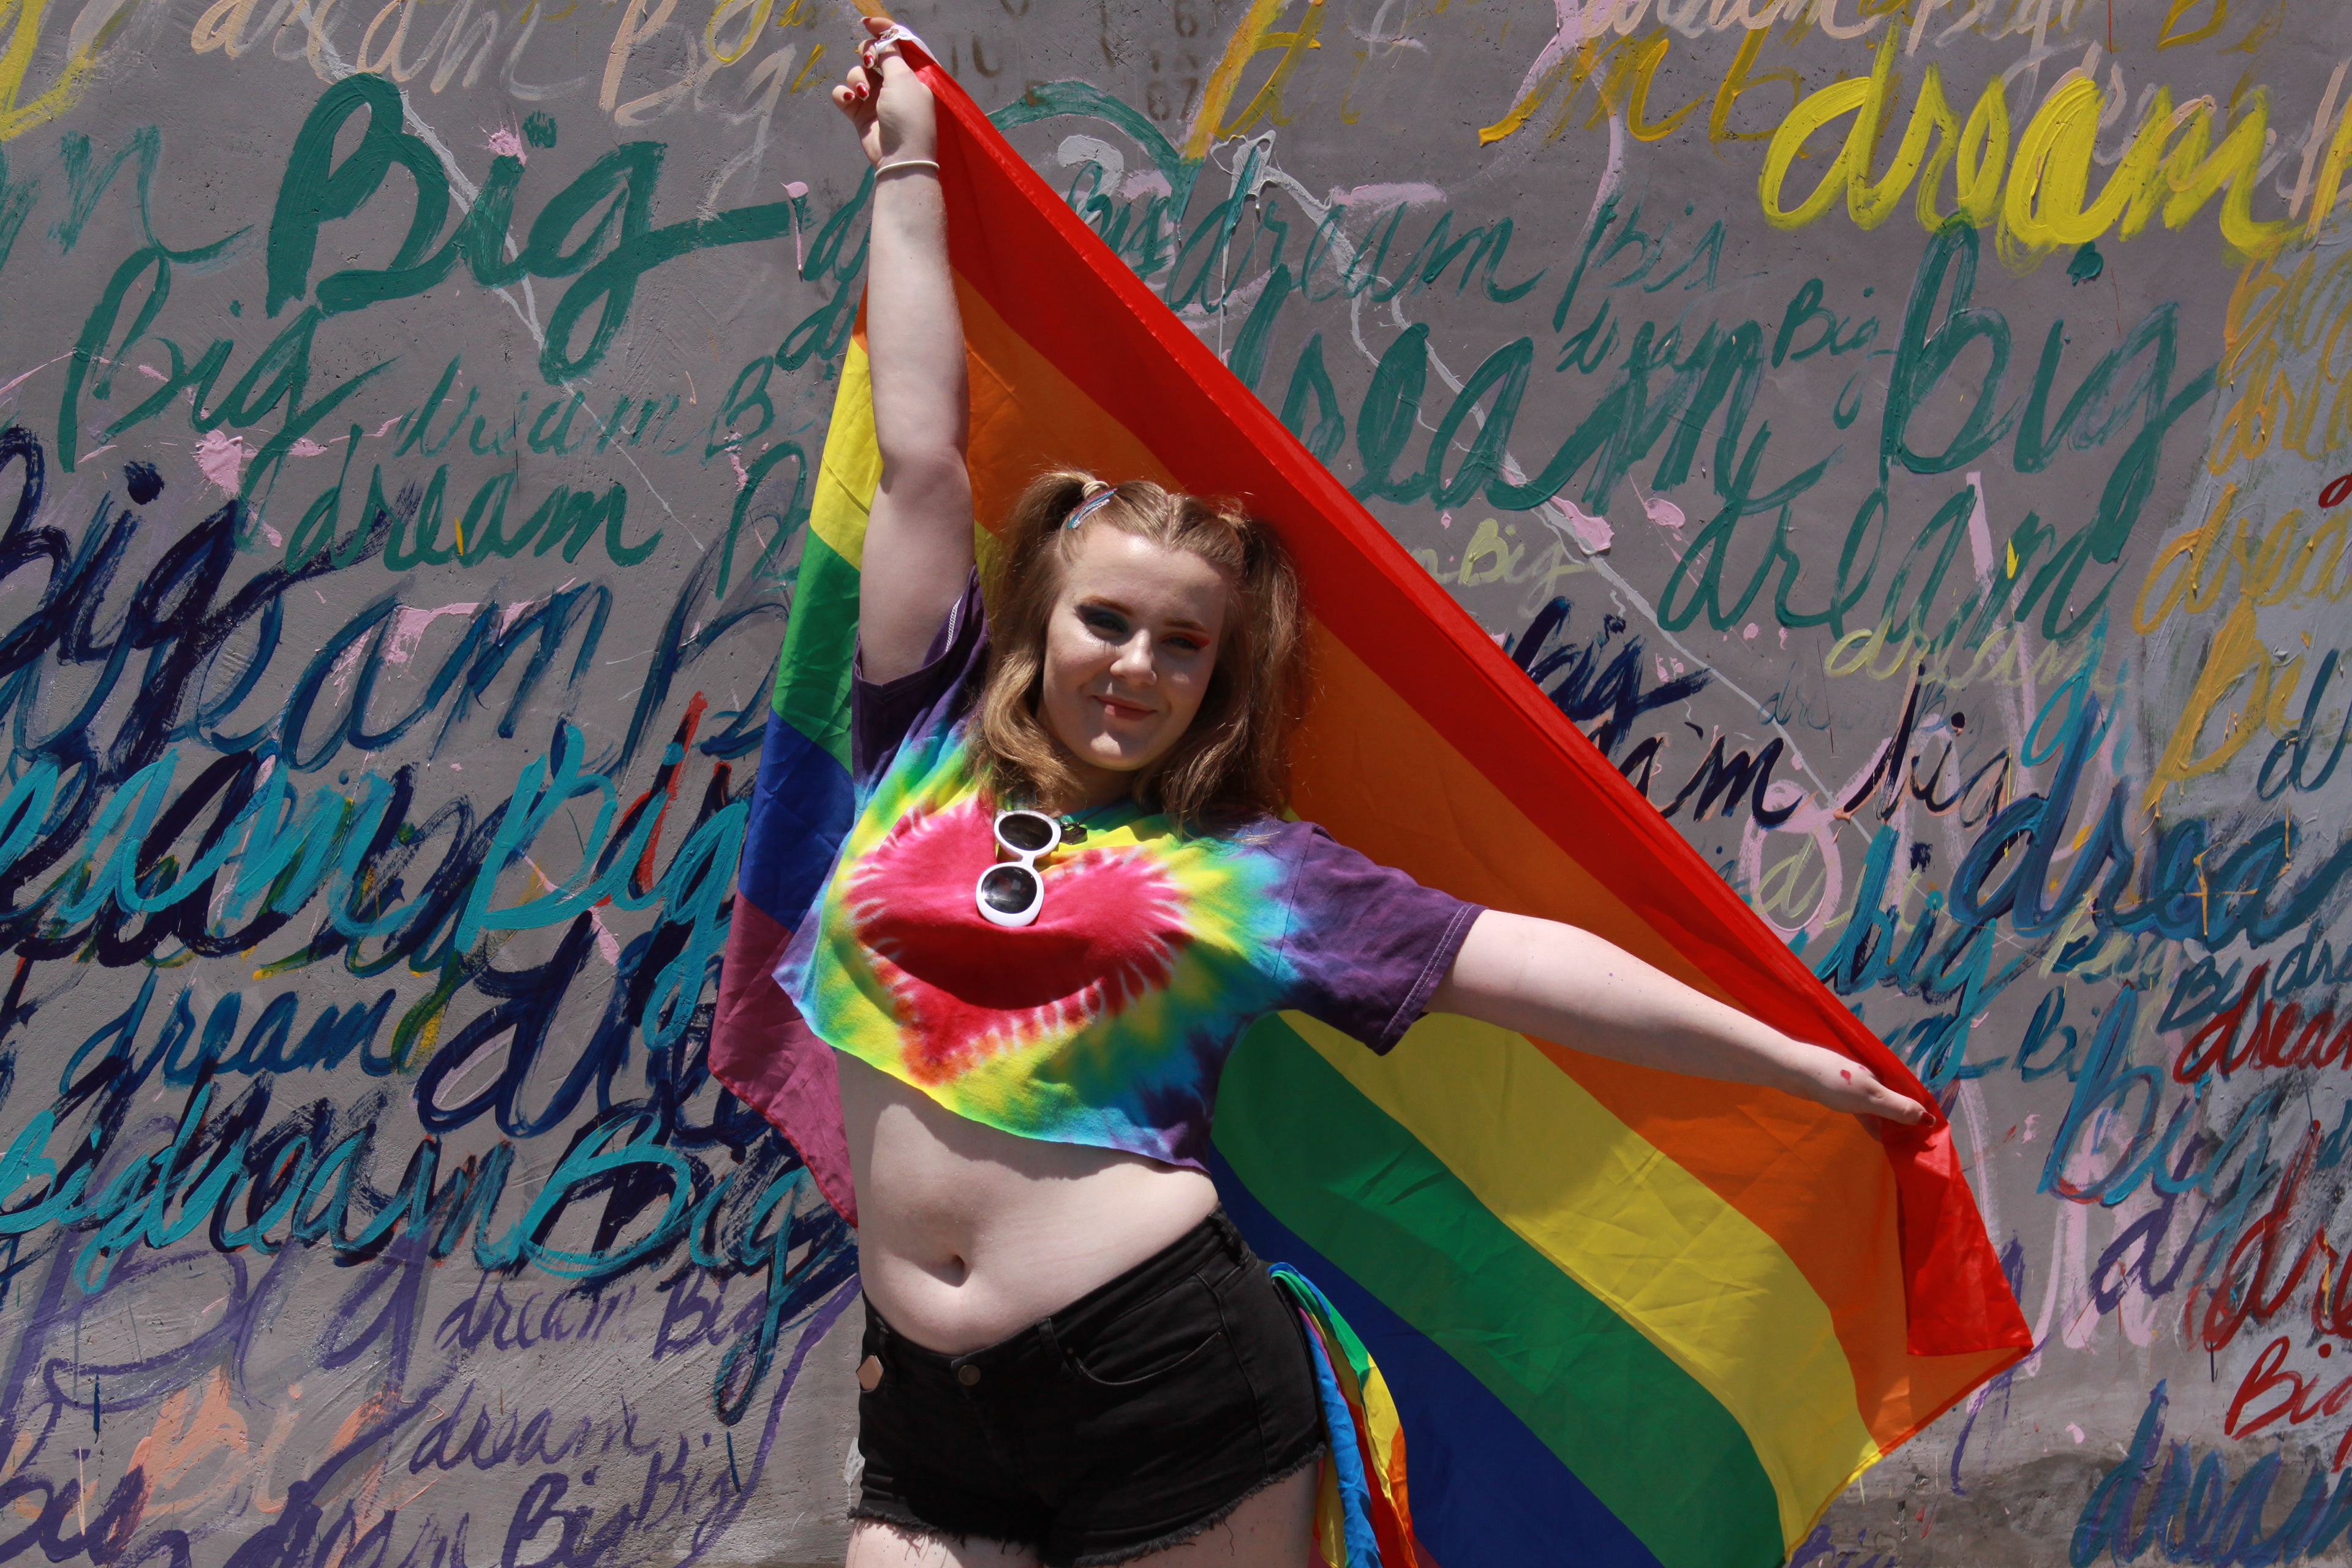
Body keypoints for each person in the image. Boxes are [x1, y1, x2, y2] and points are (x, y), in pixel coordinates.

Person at [789, 21, 1931, 1568]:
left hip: (1163, 1383)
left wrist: (1790, 1060)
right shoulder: (921, 738)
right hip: (927, 1402)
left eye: (1183, 644)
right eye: (1107, 621)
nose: (1136, 665)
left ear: (1218, 677)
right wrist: (913, 166)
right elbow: (922, 455)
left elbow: (1517, 964)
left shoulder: (1255, 873)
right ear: (1042, 620)